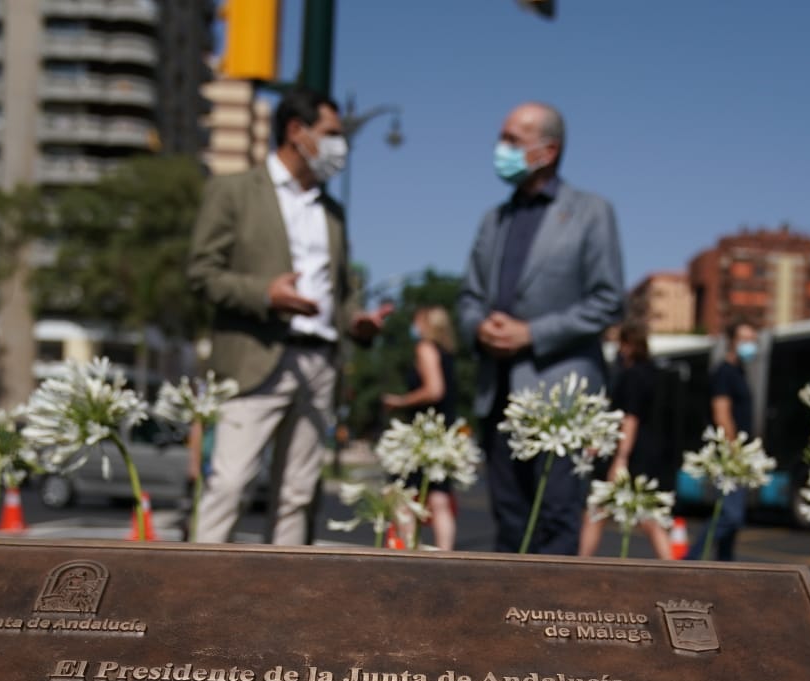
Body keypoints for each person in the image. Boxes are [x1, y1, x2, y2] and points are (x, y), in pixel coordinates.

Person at [187, 87, 387, 546]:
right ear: (296, 132)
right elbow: (201, 273)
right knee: (230, 484)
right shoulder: (234, 192)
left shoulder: (332, 211)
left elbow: (343, 289)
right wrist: (264, 294)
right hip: (255, 357)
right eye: (332, 134)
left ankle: (281, 604)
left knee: (298, 494)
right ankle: (195, 596)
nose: (341, 146)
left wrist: (358, 320)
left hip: (318, 363)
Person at [457, 101, 625, 555]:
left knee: (555, 524)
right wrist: (479, 328)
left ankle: (550, 627)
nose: (500, 149)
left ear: (547, 151)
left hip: (561, 404)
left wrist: (531, 334)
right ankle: (507, 626)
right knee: (509, 525)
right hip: (499, 399)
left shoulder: (591, 212)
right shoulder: (494, 220)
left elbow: (609, 301)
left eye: (512, 140)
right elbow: (469, 298)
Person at [579, 320, 672, 559]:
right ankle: (675, 569)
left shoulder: (631, 375)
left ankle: (580, 565)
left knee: (599, 510)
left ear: (628, 345)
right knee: (646, 513)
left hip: (631, 453)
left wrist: (620, 459)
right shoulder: (652, 372)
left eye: (620, 343)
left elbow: (629, 419)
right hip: (647, 452)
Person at [381, 305, 461, 550]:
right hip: (444, 432)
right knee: (439, 495)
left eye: (417, 320)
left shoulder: (425, 348)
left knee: (402, 494)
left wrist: (401, 401)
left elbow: (434, 389)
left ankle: (407, 550)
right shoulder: (447, 352)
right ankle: (444, 555)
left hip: (422, 434)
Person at [686, 320, 759, 561]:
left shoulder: (739, 372)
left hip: (738, 454)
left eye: (753, 340)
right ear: (732, 342)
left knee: (732, 521)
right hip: (730, 456)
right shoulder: (724, 374)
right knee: (730, 515)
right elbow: (721, 414)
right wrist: (734, 451)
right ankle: (690, 561)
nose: (750, 345)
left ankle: (727, 568)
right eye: (745, 339)